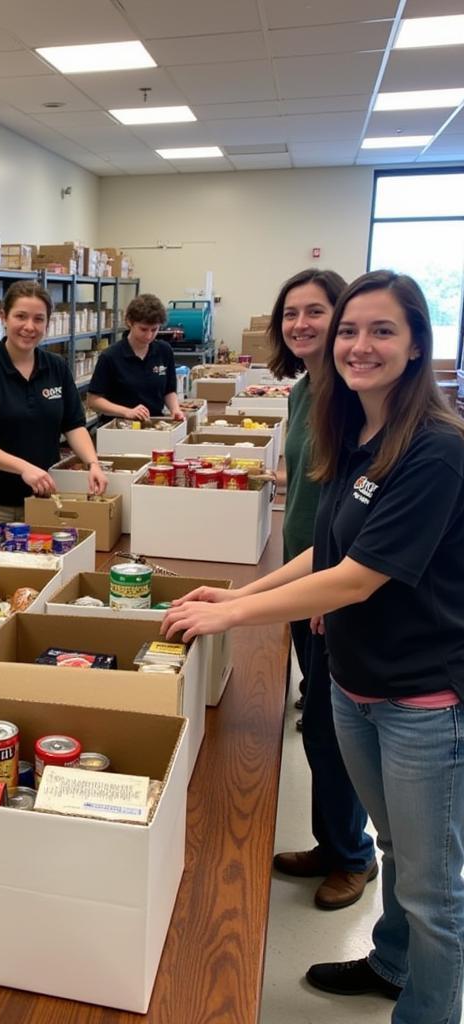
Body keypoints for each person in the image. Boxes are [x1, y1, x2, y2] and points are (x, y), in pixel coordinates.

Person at [163, 270, 464, 1022]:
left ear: (417, 343)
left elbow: (356, 580)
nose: (360, 346)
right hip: (355, 684)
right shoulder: (352, 430)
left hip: (423, 697)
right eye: (350, 332)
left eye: (382, 330)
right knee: (394, 846)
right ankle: (393, 964)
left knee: (434, 890)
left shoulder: (436, 451)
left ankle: (425, 1009)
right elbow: (326, 550)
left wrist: (236, 621)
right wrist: (240, 595)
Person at [266, 269, 376, 910]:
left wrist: (328, 594)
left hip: (331, 585)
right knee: (319, 727)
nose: (301, 324)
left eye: (315, 311)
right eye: (290, 314)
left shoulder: (349, 395)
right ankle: (332, 842)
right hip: (307, 571)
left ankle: (352, 857)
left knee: (336, 732)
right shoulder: (305, 389)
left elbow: (356, 510)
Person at [0, 280, 107, 538]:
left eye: (39, 319)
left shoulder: (56, 367)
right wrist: (24, 467)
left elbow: (73, 424)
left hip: (41, 499)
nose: (29, 327)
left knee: (41, 572)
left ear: (47, 323)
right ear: (4, 317)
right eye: (21, 317)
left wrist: (93, 463)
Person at [86, 293, 185, 426]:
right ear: (129, 322)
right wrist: (127, 412)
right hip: (119, 426)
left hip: (154, 425)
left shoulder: (164, 351)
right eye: (143, 329)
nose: (149, 335)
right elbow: (93, 401)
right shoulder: (110, 356)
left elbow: (169, 391)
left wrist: (175, 410)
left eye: (154, 329)